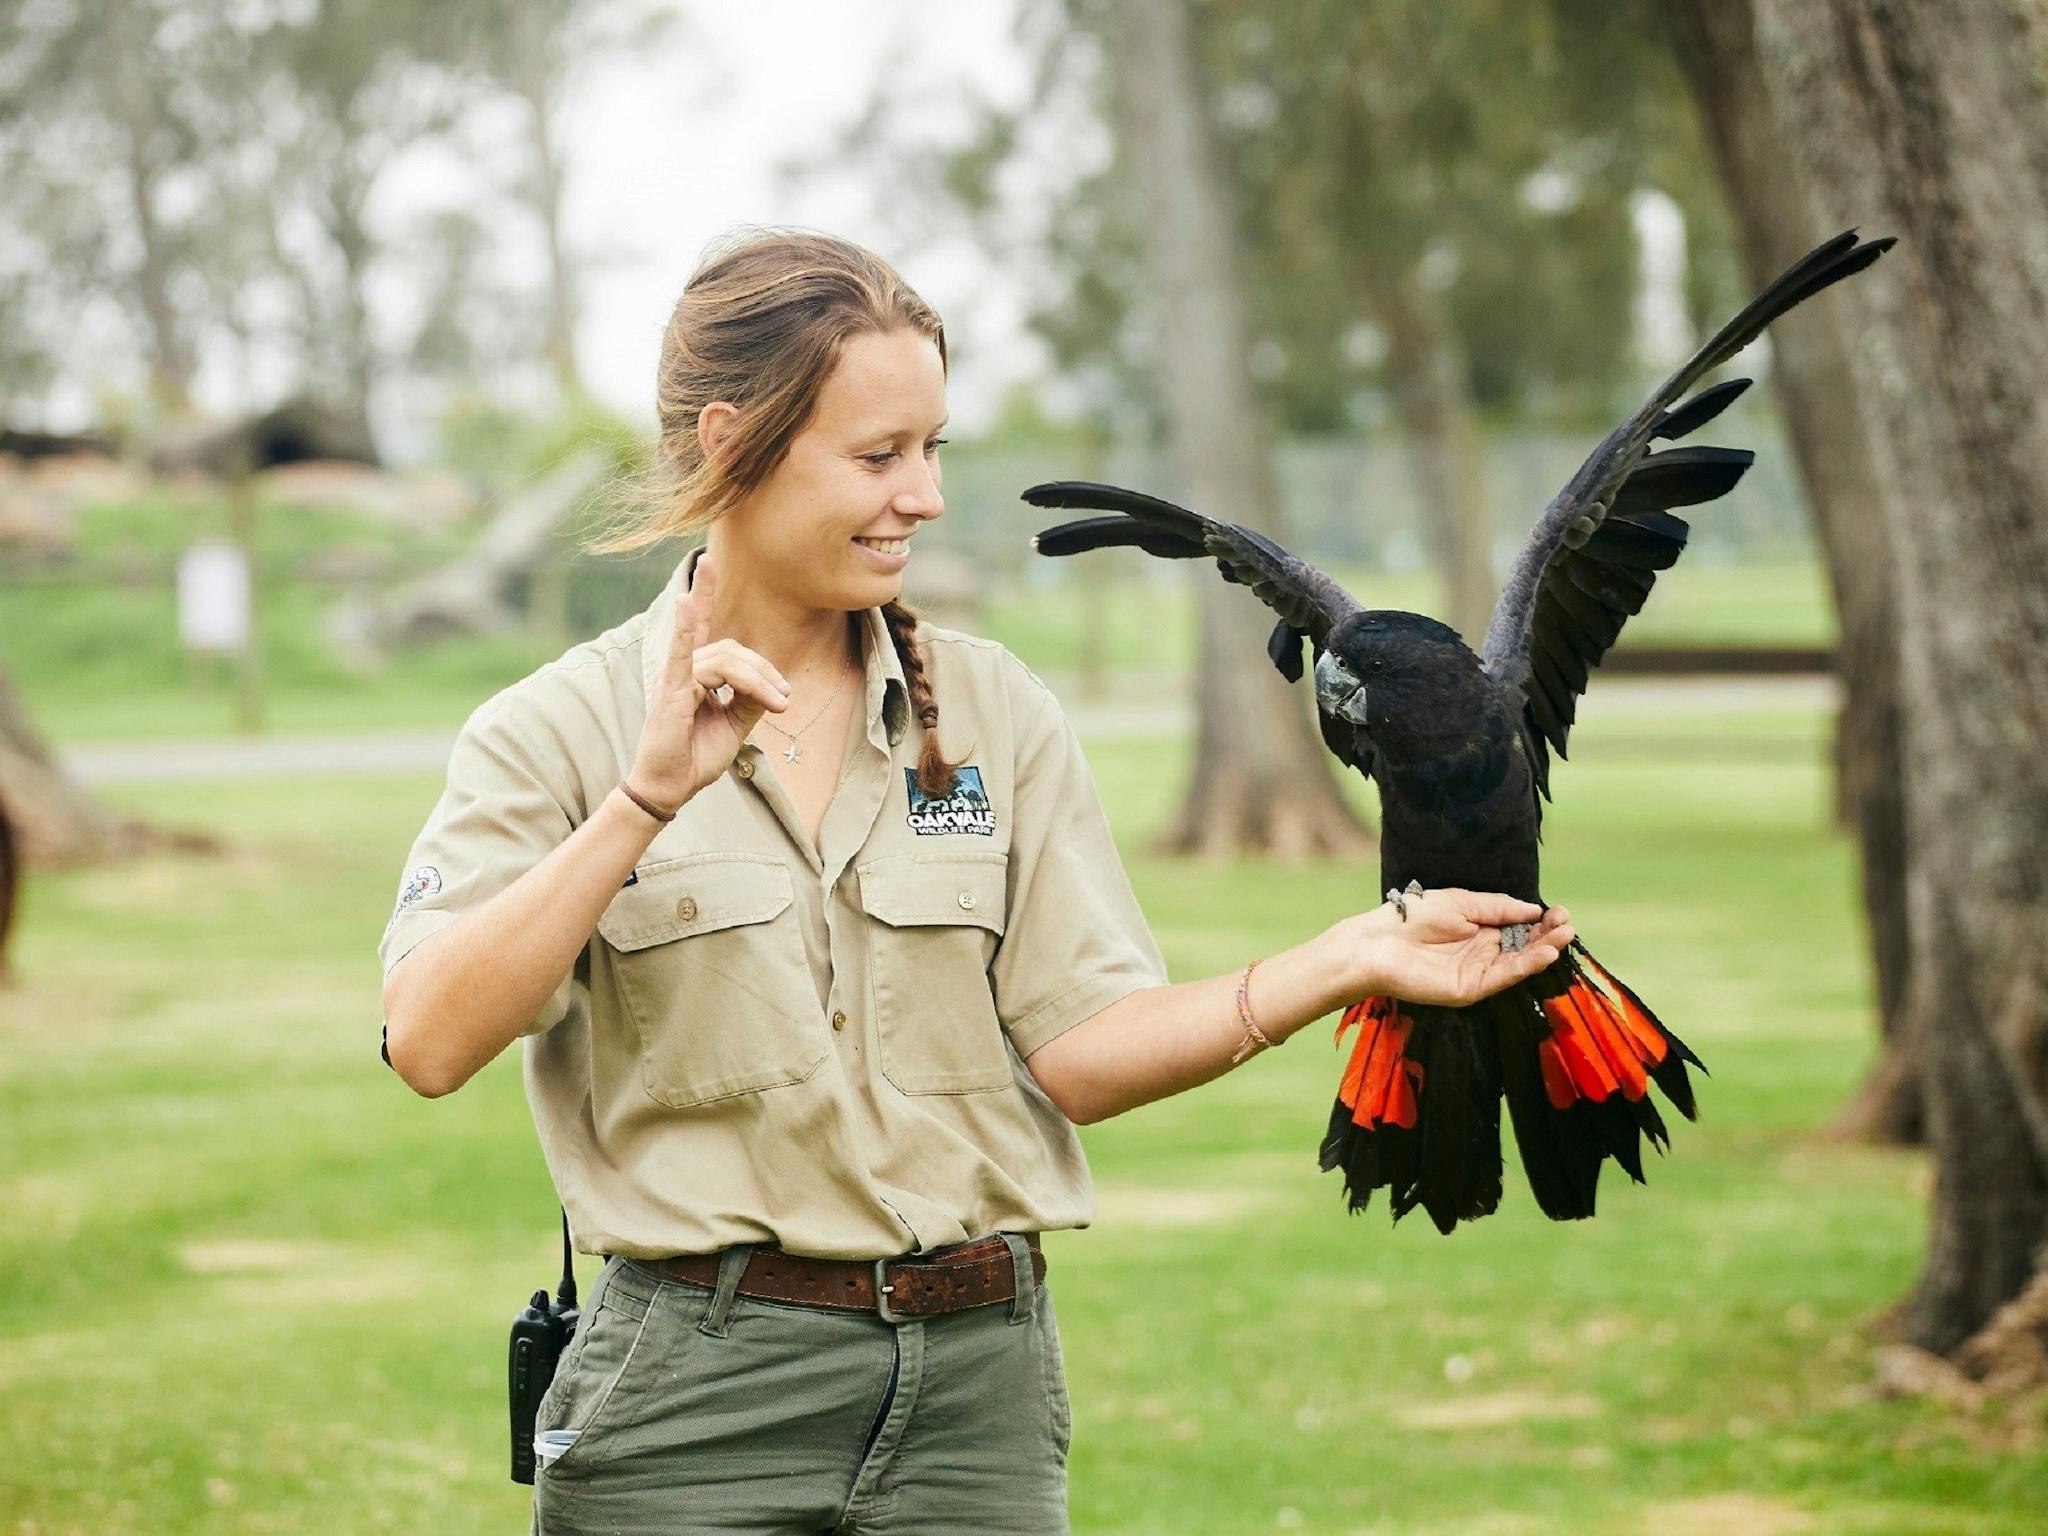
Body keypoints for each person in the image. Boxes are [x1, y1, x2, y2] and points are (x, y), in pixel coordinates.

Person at [376, 228, 1574, 1536]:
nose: (926, 496)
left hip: (979, 1397)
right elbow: (428, 1043)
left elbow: (1080, 1051)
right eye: (879, 456)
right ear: (731, 443)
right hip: (691, 1405)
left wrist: (1349, 956)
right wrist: (642, 800)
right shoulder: (551, 729)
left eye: (933, 449)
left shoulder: (997, 712)